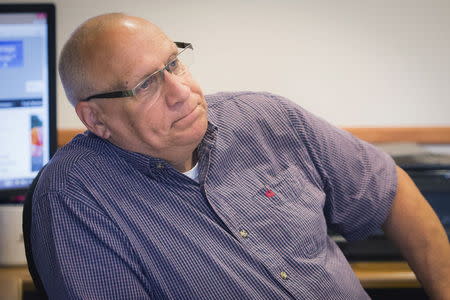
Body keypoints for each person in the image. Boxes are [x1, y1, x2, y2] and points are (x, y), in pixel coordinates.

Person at [31, 13, 450, 299]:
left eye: (174, 64)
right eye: (144, 85)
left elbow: (391, 191)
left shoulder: (266, 119)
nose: (182, 93)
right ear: (95, 118)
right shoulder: (74, 196)